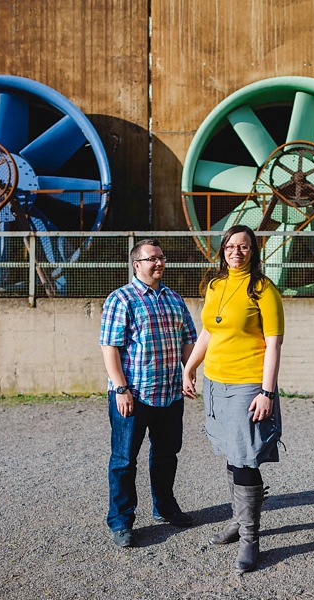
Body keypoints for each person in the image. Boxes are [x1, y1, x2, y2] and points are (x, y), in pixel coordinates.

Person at [182, 224, 284, 573]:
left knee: (245, 459)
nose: (236, 252)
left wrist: (267, 391)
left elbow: (274, 344)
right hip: (215, 382)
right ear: (222, 250)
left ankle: (250, 539)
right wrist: (190, 367)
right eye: (230, 246)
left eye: (243, 247)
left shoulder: (263, 290)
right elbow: (209, 330)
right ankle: (238, 521)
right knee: (229, 452)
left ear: (253, 251)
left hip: (247, 384)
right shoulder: (215, 285)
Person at [100, 238, 198, 548]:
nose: (159, 263)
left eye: (161, 258)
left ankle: (165, 507)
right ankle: (121, 521)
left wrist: (188, 372)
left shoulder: (173, 299)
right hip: (133, 396)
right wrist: (120, 388)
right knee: (124, 460)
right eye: (152, 258)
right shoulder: (122, 299)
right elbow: (110, 346)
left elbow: (188, 339)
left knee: (167, 455)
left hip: (169, 394)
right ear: (136, 264)